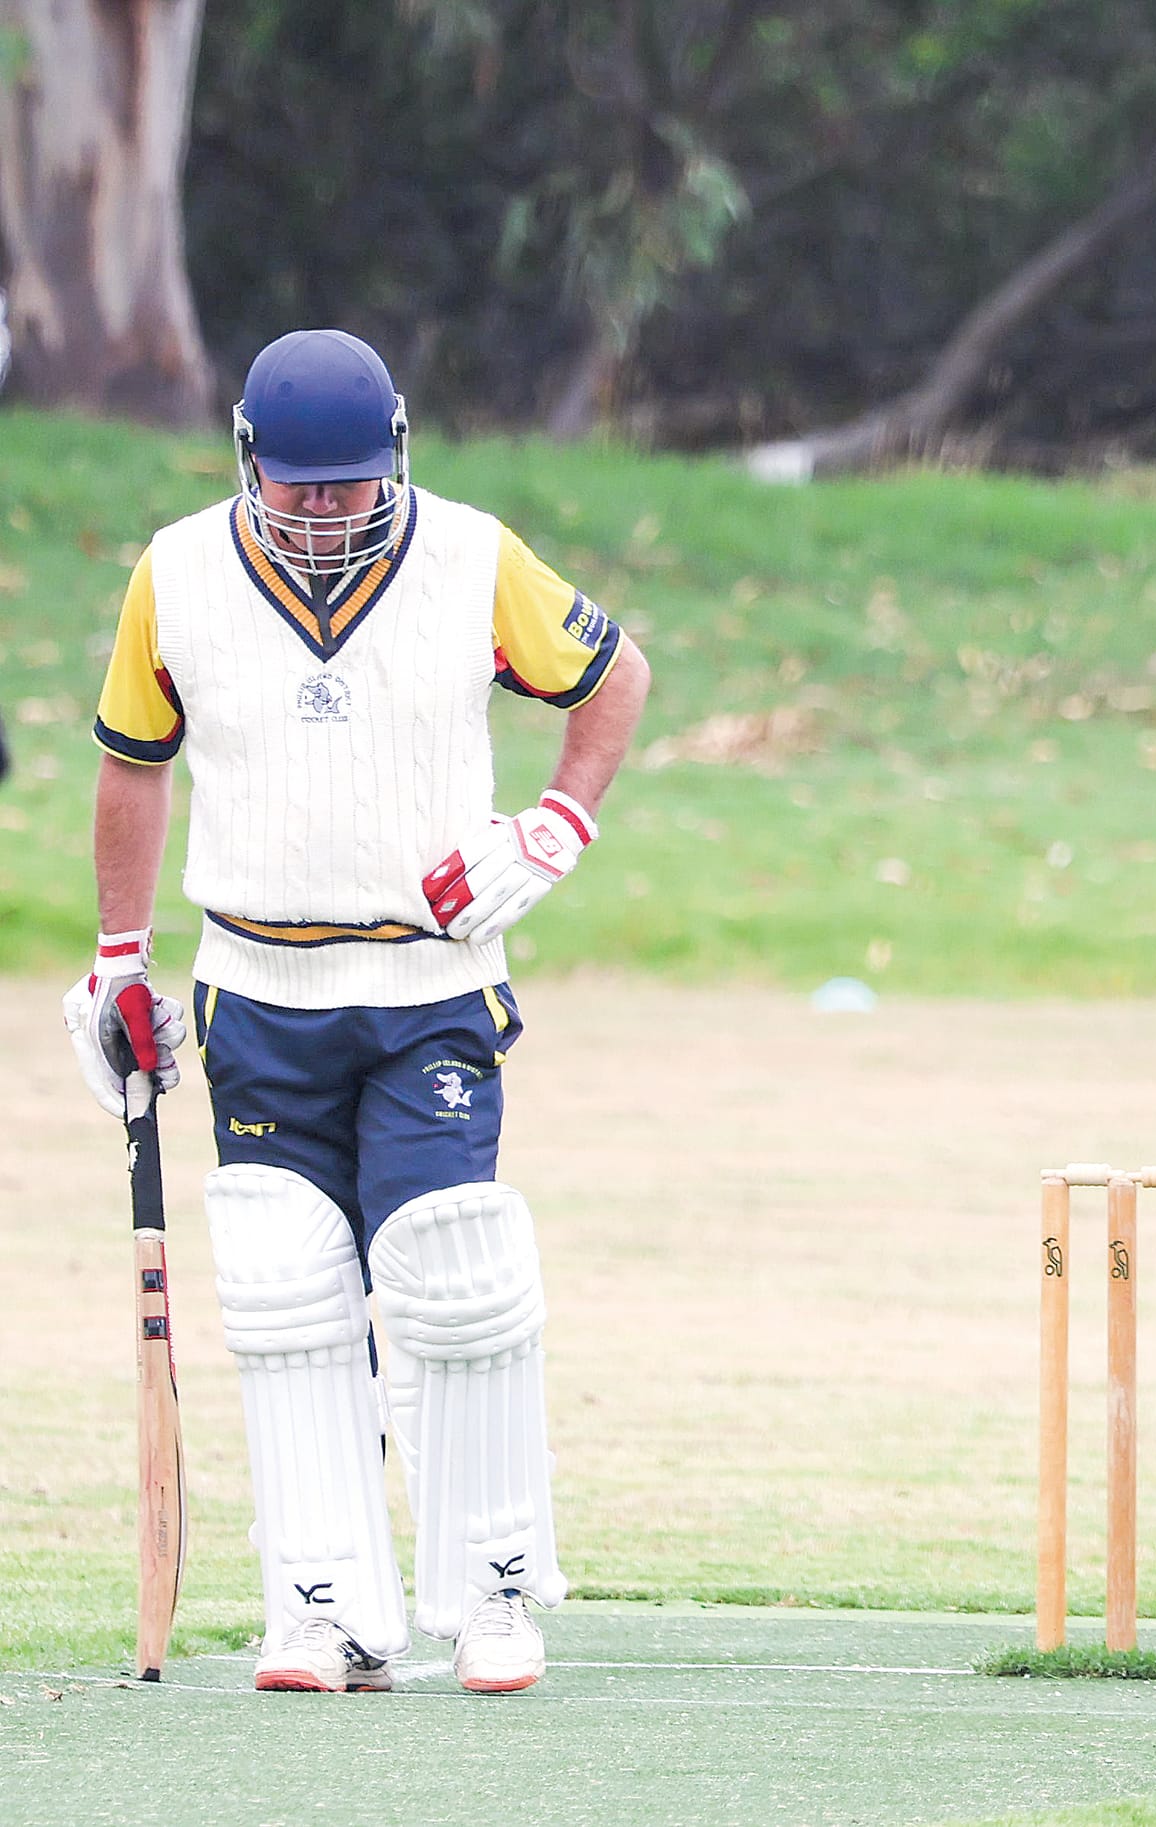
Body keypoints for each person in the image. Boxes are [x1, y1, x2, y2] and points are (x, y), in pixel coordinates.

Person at [64, 328, 651, 1694]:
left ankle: (492, 1591)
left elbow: (614, 676)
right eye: (299, 485)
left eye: (348, 484)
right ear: (247, 460)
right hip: (257, 988)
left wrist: (555, 824)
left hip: (429, 981)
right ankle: (320, 1606)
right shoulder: (177, 574)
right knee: (286, 1295)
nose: (325, 511)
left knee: (453, 1276)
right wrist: (115, 960)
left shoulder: (471, 556)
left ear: (394, 453)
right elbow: (132, 765)